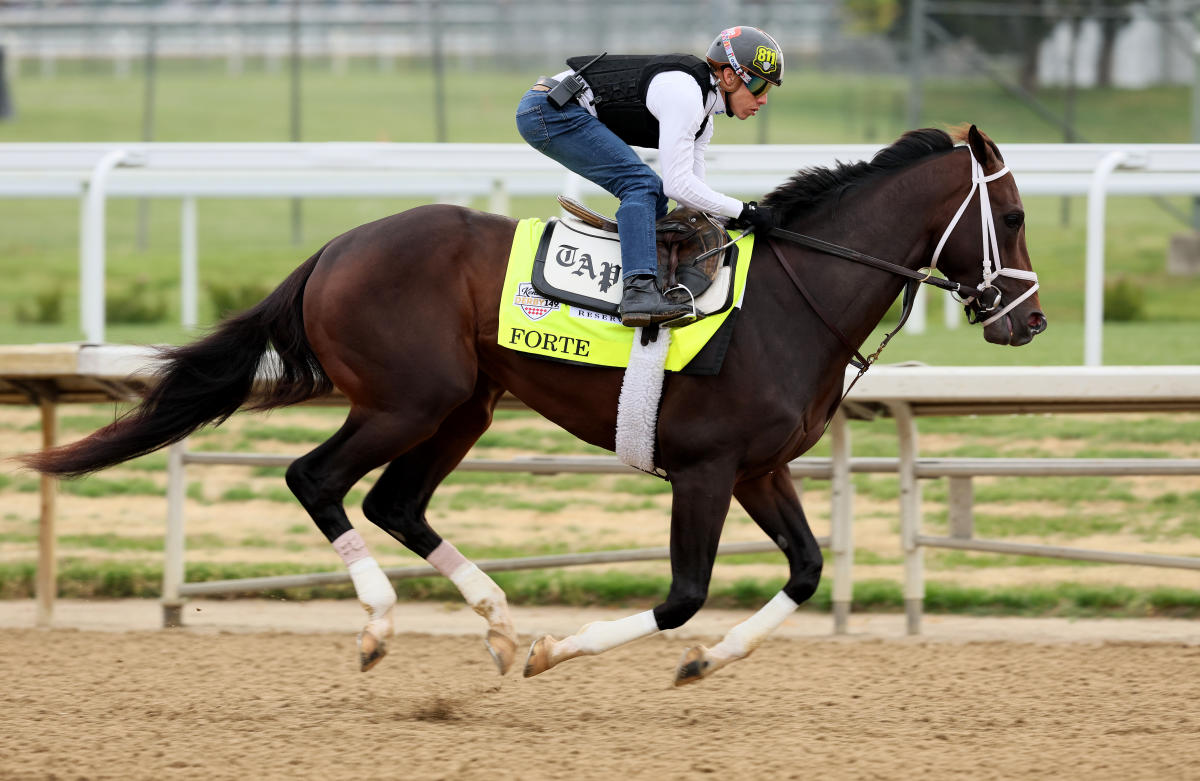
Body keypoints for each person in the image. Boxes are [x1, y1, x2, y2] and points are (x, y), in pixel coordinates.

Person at [515, 26, 784, 327]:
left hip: (557, 108)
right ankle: (638, 292)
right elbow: (678, 185)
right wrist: (744, 210)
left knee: (654, 193)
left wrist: (731, 218)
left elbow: (691, 196)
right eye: (760, 86)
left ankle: (648, 278)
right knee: (641, 184)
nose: (763, 100)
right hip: (548, 111)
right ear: (730, 76)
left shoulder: (704, 118)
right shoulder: (686, 95)